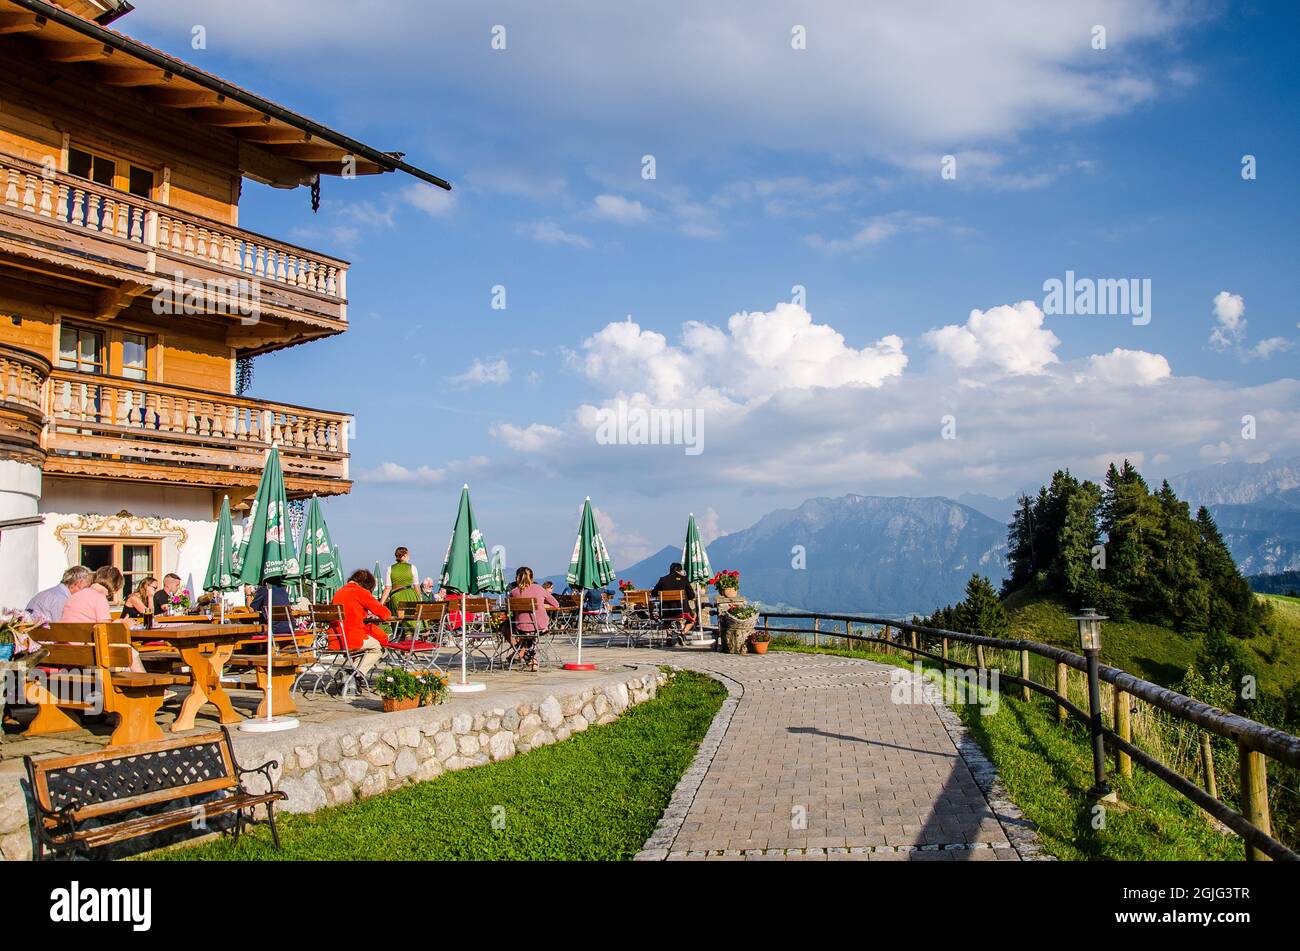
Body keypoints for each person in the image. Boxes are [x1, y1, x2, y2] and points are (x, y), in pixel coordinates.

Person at [60, 566, 148, 674]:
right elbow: (106, 632)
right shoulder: (99, 598)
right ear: (115, 588)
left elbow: (94, 623)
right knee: (128, 650)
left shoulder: (75, 596)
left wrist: (117, 622)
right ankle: (146, 685)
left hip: (67, 652)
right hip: (86, 656)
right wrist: (123, 625)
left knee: (126, 650)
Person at [329, 569, 391, 693]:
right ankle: (355, 674)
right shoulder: (360, 592)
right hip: (353, 638)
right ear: (367, 584)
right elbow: (384, 613)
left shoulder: (338, 592)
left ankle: (351, 680)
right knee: (379, 648)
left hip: (335, 639)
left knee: (362, 651)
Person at [507, 566, 559, 672]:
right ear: (532, 577)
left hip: (521, 627)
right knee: (530, 632)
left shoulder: (513, 592)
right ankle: (530, 658)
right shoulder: (539, 588)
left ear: (517, 578)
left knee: (507, 628)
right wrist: (541, 605)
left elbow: (509, 609)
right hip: (540, 627)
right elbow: (556, 604)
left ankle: (522, 653)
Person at [26, 566, 92, 623]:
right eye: (86, 587)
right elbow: (60, 627)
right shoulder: (61, 598)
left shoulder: (53, 593)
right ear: (79, 583)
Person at [652, 562, 697, 644]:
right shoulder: (684, 579)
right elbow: (691, 595)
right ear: (679, 571)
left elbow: (653, 593)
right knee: (693, 618)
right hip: (681, 611)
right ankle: (682, 633)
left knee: (667, 620)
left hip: (665, 611)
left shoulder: (663, 580)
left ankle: (669, 635)